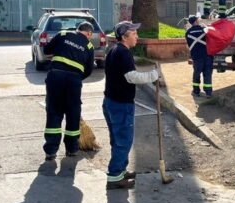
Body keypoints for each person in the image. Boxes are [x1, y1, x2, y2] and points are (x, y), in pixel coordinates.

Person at [103, 21, 159, 190]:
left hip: (111, 102)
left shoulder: (114, 50)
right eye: (134, 33)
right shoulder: (123, 53)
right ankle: (114, 177)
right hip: (120, 105)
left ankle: (120, 171)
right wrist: (153, 75)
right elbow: (132, 77)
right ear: (124, 35)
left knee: (118, 140)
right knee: (124, 141)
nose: (137, 36)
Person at [43, 21, 96, 160]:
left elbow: (46, 50)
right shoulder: (89, 46)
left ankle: (51, 150)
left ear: (77, 30)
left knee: (54, 111)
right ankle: (72, 149)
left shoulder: (63, 34)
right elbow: (89, 70)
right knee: (73, 113)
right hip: (74, 81)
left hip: (55, 76)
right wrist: (76, 77)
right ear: (89, 33)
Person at [185, 15, 213, 97]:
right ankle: (208, 93)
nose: (199, 21)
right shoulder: (204, 30)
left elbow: (189, 44)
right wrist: (205, 27)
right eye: (198, 20)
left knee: (197, 73)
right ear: (195, 21)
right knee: (207, 74)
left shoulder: (188, 32)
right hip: (207, 55)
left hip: (196, 57)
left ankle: (196, 91)